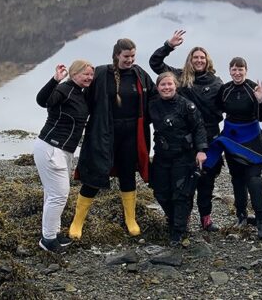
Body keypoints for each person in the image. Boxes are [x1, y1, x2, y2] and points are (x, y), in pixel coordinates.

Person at [68, 38, 156, 240]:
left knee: (127, 175)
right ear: (117, 55)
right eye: (126, 56)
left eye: (133, 56)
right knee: (95, 175)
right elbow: (82, 99)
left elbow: (154, 99)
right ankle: (77, 221)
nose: (130, 60)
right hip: (103, 132)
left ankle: (130, 219)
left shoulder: (139, 74)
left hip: (132, 134)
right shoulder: (100, 73)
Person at [149, 29, 224, 232]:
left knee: (207, 180)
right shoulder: (180, 78)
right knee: (185, 181)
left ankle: (206, 217)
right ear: (189, 61)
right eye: (195, 57)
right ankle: (184, 217)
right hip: (184, 138)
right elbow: (155, 64)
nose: (199, 61)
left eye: (202, 58)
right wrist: (169, 45)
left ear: (207, 61)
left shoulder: (217, 83)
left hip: (210, 136)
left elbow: (229, 104)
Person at [205, 57, 262, 239]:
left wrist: (260, 101)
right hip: (232, 138)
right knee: (237, 179)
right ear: (229, 71)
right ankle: (241, 216)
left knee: (254, 179)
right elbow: (215, 111)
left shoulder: (253, 88)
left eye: (240, 69)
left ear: (246, 70)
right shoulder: (225, 90)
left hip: (252, 139)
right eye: (233, 69)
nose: (237, 73)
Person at [34, 60, 94, 252]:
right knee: (58, 196)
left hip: (65, 150)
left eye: (91, 75)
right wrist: (55, 80)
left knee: (53, 194)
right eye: (86, 74)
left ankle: (52, 232)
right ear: (74, 74)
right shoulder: (64, 89)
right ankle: (47, 240)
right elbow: (42, 101)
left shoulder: (79, 93)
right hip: (50, 147)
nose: (89, 78)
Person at [148, 72, 208, 245]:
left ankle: (178, 231)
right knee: (160, 192)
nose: (166, 88)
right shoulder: (152, 106)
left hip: (184, 156)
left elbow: (199, 128)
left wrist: (201, 150)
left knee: (181, 194)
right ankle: (173, 219)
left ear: (176, 86)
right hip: (161, 156)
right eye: (163, 85)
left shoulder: (187, 106)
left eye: (169, 84)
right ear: (158, 87)